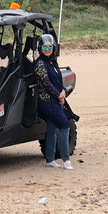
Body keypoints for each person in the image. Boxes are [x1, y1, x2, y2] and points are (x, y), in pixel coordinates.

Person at [35, 34, 73, 170]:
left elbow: (58, 80)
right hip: (47, 102)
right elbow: (46, 83)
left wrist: (62, 91)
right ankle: (66, 159)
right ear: (40, 48)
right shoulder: (40, 63)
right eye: (44, 47)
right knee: (64, 125)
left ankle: (50, 159)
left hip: (55, 99)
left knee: (51, 128)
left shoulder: (53, 61)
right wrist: (59, 96)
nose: (47, 49)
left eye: (49, 46)